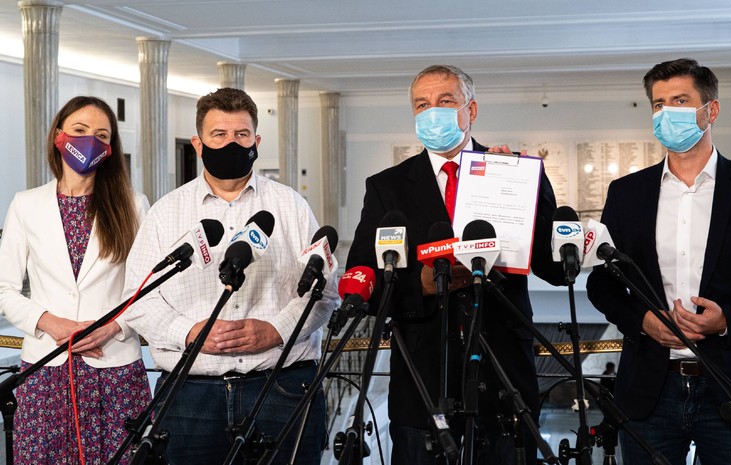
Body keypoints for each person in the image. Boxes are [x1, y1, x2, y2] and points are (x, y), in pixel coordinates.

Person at [345, 64, 565, 465]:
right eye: (422, 104)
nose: (433, 112)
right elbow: (365, 280)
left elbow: (553, 269)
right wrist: (422, 285)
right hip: (423, 381)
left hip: (503, 376)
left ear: (471, 110)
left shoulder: (514, 170)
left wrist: (523, 190)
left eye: (445, 101)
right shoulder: (386, 187)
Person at [123, 87, 339, 465]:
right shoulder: (165, 212)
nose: (231, 143)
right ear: (198, 144)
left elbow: (325, 290)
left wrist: (276, 330)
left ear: (257, 141)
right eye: (219, 135)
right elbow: (138, 298)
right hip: (190, 395)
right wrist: (190, 333)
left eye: (241, 134)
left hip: (281, 387)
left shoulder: (290, 205)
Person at [586, 58, 731, 464]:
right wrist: (643, 321)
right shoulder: (627, 193)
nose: (667, 112)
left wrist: (727, 320)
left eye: (681, 101)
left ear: (711, 110)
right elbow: (602, 282)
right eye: (659, 104)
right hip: (650, 391)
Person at [0, 96, 152, 464]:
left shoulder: (133, 205)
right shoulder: (26, 204)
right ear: (59, 136)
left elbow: (148, 289)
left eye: (101, 135)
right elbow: (4, 289)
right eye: (80, 130)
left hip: (115, 367)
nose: (90, 142)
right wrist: (50, 322)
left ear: (111, 148)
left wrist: (114, 327)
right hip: (46, 368)